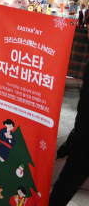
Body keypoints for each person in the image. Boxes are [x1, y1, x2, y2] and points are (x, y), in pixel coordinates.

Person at [49, 61, 89, 206]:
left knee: (66, 185)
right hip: (84, 137)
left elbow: (85, 108)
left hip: (84, 143)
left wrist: (75, 137)